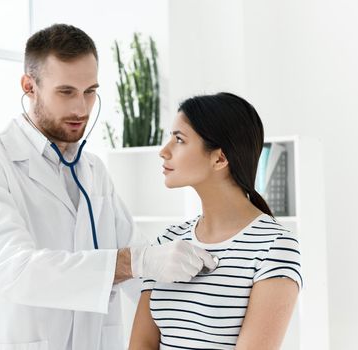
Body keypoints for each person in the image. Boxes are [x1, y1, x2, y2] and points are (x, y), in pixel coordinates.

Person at [0, 24, 216, 350]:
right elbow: (14, 272)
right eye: (66, 92)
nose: (81, 108)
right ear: (29, 87)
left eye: (90, 91)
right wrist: (136, 261)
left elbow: (141, 273)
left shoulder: (93, 170)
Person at [129, 92, 303, 349]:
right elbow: (140, 345)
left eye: (179, 139)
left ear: (220, 158)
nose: (164, 152)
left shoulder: (274, 247)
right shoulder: (167, 243)